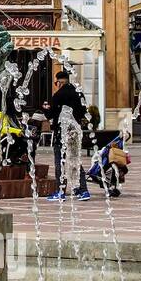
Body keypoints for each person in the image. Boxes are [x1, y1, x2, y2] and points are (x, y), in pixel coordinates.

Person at [42, 70, 90, 201]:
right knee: (75, 160)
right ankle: (83, 191)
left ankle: (60, 191)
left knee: (60, 162)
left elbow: (51, 115)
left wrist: (45, 110)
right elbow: (84, 112)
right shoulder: (78, 93)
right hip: (74, 132)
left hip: (61, 133)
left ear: (59, 82)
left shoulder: (58, 95)